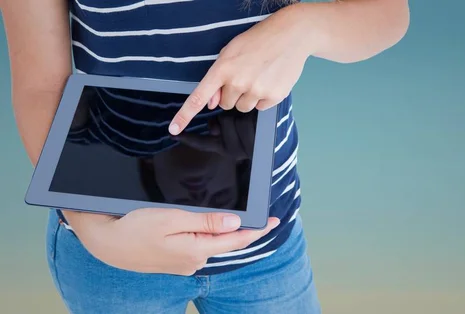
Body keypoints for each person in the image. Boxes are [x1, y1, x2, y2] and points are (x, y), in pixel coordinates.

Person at [0, 0, 410, 313]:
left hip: (266, 245)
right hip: (115, 241)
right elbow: (40, 87)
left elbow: (388, 13)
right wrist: (95, 230)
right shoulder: (104, 237)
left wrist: (306, 24)